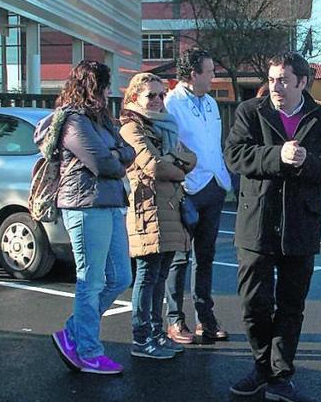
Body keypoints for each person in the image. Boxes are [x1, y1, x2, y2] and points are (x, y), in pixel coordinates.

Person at [224, 52, 321, 402]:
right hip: (256, 223)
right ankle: (261, 366)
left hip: (300, 226)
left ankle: (280, 373)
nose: (275, 87)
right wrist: (277, 156)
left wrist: (307, 161)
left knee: (291, 305)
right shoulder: (251, 111)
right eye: (273, 78)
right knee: (253, 303)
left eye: (284, 80)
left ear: (303, 82)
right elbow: (235, 155)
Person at [43, 60, 136, 374]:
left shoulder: (102, 119)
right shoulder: (73, 121)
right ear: (92, 87)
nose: (108, 93)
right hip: (84, 205)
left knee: (121, 277)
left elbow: (128, 152)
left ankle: (73, 332)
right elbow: (104, 164)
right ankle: (88, 351)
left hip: (109, 202)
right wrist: (114, 156)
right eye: (104, 87)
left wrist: (115, 155)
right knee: (91, 281)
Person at [120, 73, 197, 359]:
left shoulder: (167, 126)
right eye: (150, 95)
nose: (156, 100)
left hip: (170, 208)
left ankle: (157, 332)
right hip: (147, 210)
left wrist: (174, 165)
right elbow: (153, 165)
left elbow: (192, 157)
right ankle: (141, 338)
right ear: (134, 97)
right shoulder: (131, 128)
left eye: (160, 95)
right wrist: (178, 169)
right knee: (147, 274)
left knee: (161, 274)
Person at [163, 48, 232, 344]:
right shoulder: (171, 104)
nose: (214, 76)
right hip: (188, 188)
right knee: (180, 257)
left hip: (215, 185)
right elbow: (170, 147)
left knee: (206, 256)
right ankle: (175, 319)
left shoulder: (211, 104)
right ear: (194, 74)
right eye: (210, 71)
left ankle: (206, 318)